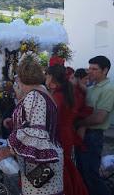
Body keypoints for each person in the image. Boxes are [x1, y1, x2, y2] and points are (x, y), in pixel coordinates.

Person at [0, 55, 63, 195]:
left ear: (20, 78)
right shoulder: (44, 92)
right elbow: (37, 121)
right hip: (47, 157)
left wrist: (8, 149)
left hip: (41, 162)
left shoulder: (34, 96)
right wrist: (15, 121)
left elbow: (35, 131)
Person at [45, 65, 89, 195]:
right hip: (66, 133)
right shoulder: (65, 92)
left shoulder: (57, 96)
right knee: (65, 166)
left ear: (52, 78)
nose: (45, 78)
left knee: (60, 168)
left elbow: (48, 119)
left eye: (47, 75)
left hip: (59, 135)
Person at [76, 56, 114, 195]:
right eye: (89, 68)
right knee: (82, 173)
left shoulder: (109, 89)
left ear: (105, 70)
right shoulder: (92, 87)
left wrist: (78, 123)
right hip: (85, 134)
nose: (89, 72)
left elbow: (99, 117)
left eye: (94, 69)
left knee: (90, 175)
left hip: (93, 136)